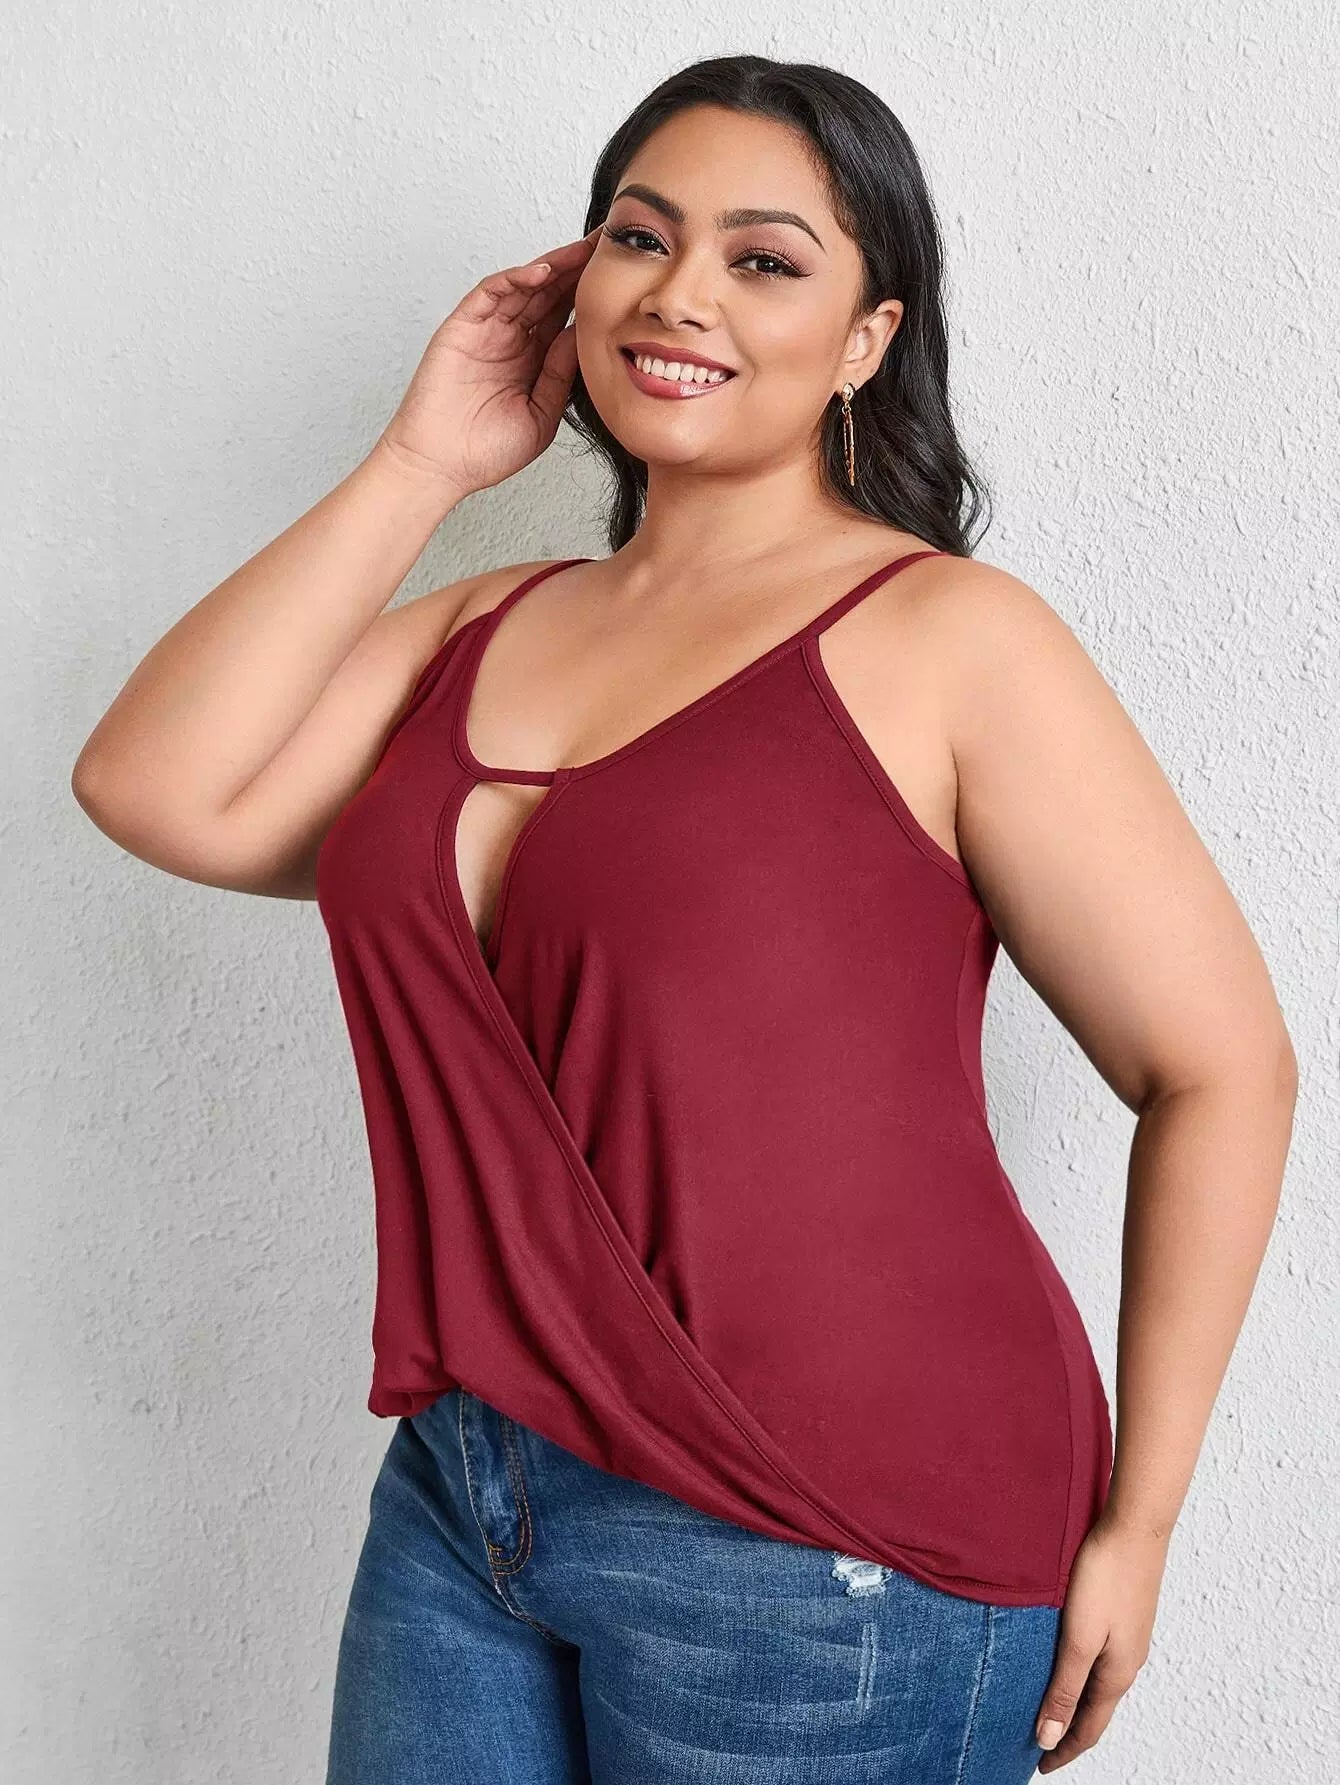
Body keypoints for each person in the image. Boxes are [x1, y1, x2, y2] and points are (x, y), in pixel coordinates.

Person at [71, 53, 1297, 1785]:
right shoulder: (483, 621)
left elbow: (1222, 1065)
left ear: (868, 336)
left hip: (831, 1539)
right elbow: (153, 785)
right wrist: (422, 462)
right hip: (475, 1488)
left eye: (763, 258)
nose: (680, 293)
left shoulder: (953, 641)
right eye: (640, 237)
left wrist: (1144, 1521)